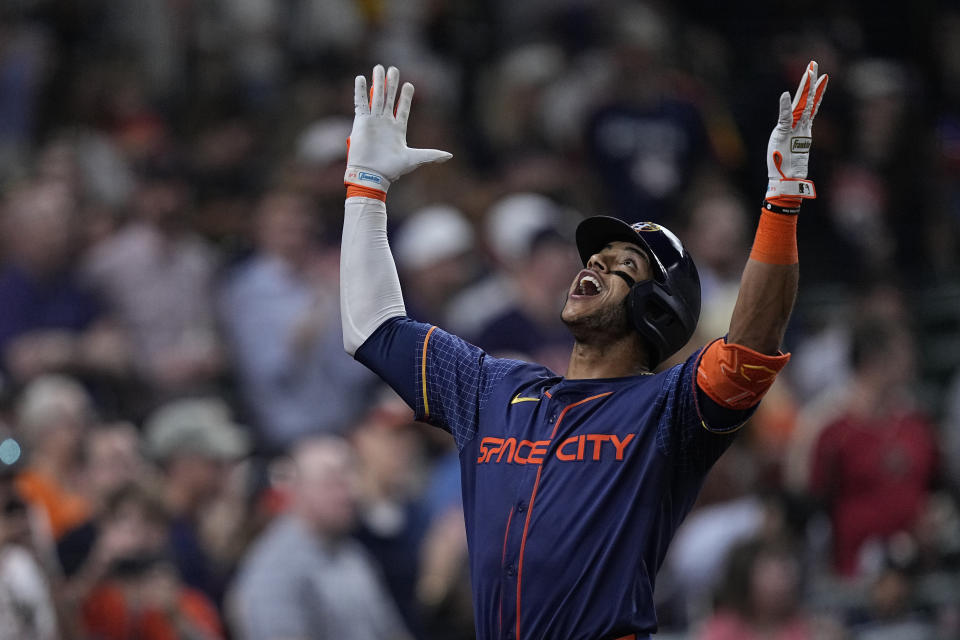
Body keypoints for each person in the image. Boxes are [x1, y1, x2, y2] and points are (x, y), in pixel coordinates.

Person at [339, 62, 827, 640]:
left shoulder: (668, 409)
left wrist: (782, 202)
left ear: (657, 310)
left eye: (623, 265)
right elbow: (372, 329)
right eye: (594, 259)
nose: (593, 266)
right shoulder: (492, 388)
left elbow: (751, 343)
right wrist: (366, 188)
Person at [229, 436, 411, 640]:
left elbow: (391, 631)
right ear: (298, 488)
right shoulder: (274, 570)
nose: (350, 492)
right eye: (334, 481)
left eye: (352, 476)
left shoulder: (351, 552)